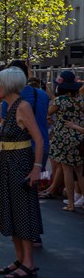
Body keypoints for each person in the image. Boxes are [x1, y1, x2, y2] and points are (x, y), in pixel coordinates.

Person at [0, 67, 44, 278]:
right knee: (12, 212)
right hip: (8, 163)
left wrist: (37, 168)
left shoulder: (23, 106)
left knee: (22, 212)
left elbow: (38, 138)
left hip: (20, 164)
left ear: (9, 85)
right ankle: (20, 258)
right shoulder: (8, 106)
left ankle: (28, 262)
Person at [46, 70, 84, 211]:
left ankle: (71, 203)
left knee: (67, 170)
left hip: (63, 137)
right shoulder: (81, 100)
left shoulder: (59, 101)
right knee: (80, 171)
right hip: (79, 137)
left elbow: (48, 113)